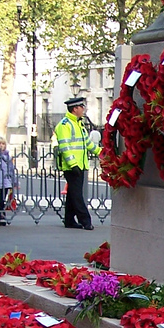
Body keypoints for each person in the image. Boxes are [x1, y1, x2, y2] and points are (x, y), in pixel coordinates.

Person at [53, 96, 101, 229]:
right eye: (81, 107)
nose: (84, 109)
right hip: (72, 166)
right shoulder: (64, 125)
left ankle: (69, 220)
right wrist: (73, 164)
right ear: (75, 109)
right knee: (77, 195)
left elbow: (88, 144)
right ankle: (85, 221)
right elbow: (65, 146)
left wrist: (102, 153)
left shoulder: (79, 124)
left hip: (80, 164)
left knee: (73, 194)